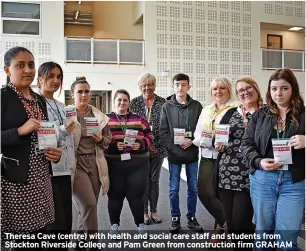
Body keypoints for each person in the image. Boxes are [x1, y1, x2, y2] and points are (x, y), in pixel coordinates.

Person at [1, 47, 61, 248]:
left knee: (41, 233)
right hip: (17, 182)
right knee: (20, 237)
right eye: (20, 65)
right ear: (7, 70)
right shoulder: (3, 98)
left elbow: (46, 134)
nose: (28, 70)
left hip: (42, 177)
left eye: (31, 65)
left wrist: (55, 152)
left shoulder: (39, 99)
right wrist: (19, 131)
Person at [241, 68, 305, 251]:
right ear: (269, 91)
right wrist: (259, 161)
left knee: (287, 240)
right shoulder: (260, 115)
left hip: (293, 183)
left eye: (284, 88)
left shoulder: (304, 115)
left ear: (293, 89)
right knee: (263, 236)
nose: (279, 93)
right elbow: (245, 145)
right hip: (263, 179)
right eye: (274, 89)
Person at [215, 77, 263, 250]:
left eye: (248, 88)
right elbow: (218, 135)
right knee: (232, 222)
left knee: (242, 219)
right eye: (240, 90)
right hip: (226, 173)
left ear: (256, 89)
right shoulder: (231, 113)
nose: (245, 92)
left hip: (250, 173)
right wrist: (217, 142)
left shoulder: (265, 113)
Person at [37, 61, 79, 247]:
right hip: (47, 170)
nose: (56, 80)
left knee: (65, 219)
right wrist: (63, 130)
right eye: (51, 76)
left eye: (59, 76)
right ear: (40, 79)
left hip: (65, 168)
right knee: (52, 220)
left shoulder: (63, 106)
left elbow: (68, 137)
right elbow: (40, 138)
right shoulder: (35, 104)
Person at [159, 73, 203, 233]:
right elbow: (163, 131)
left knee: (193, 188)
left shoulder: (197, 106)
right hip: (174, 155)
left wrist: (191, 141)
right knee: (173, 188)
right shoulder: (166, 106)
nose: (180, 87)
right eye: (177, 84)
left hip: (191, 153)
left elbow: (202, 130)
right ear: (173, 86)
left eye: (183, 84)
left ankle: (191, 218)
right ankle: (175, 218)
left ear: (189, 86)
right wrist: (172, 147)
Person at [70, 77, 112, 243]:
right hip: (76, 165)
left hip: (95, 164)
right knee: (89, 204)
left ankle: (81, 239)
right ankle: (92, 242)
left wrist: (100, 139)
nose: (84, 94)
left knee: (87, 207)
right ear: (73, 94)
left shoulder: (99, 116)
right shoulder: (67, 115)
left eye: (87, 91)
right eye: (79, 91)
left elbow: (108, 141)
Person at [104, 89, 152, 233]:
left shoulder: (139, 119)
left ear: (129, 103)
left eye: (125, 100)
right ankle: (114, 225)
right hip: (114, 164)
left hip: (137, 164)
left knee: (136, 196)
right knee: (115, 196)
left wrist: (142, 144)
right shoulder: (105, 119)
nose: (122, 102)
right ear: (114, 102)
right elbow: (100, 140)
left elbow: (150, 135)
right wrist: (113, 146)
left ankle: (140, 224)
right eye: (119, 100)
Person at [193, 77, 236, 237]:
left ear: (229, 90)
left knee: (220, 195)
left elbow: (236, 134)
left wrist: (212, 139)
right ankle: (228, 225)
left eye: (222, 88)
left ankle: (219, 230)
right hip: (206, 155)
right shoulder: (206, 109)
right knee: (204, 192)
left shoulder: (235, 109)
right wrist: (204, 140)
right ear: (211, 92)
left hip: (225, 157)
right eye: (215, 89)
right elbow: (197, 133)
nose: (218, 91)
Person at [130, 73, 167, 225]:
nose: (147, 88)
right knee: (144, 181)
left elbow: (166, 126)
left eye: (150, 84)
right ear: (140, 87)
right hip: (141, 149)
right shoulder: (134, 103)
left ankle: (154, 210)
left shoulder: (163, 103)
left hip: (158, 149)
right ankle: (144, 211)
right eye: (144, 85)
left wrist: (158, 145)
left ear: (154, 85)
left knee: (155, 180)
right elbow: (131, 125)